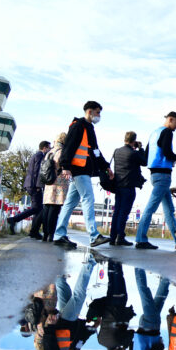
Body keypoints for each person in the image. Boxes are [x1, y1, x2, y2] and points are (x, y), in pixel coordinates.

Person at [53, 101, 114, 248]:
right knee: (88, 198)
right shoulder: (78, 126)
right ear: (90, 111)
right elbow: (69, 146)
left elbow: (95, 151)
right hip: (78, 170)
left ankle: (59, 235)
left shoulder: (89, 128)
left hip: (82, 170)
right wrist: (65, 166)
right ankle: (94, 236)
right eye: (98, 112)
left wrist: (106, 167)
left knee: (70, 203)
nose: (99, 116)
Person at [41, 255, 97, 350]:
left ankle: (90, 262)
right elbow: (78, 344)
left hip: (63, 324)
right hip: (68, 325)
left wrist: (50, 327)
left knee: (78, 296)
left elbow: (49, 347)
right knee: (64, 290)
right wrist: (92, 329)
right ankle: (57, 266)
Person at [135, 112, 176, 250]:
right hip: (163, 175)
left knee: (169, 210)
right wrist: (175, 157)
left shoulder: (154, 133)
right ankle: (141, 239)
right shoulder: (167, 132)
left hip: (154, 175)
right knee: (151, 207)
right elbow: (167, 151)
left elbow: (146, 156)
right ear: (170, 120)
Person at [86, 261, 135, 350]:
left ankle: (116, 259)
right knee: (112, 280)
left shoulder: (118, 342)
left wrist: (123, 347)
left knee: (119, 278)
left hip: (118, 306)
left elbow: (131, 333)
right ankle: (111, 261)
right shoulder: (101, 341)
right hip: (107, 305)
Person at [131, 269, 170, 350]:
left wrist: (161, 347)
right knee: (161, 297)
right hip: (143, 328)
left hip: (151, 328)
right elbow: (132, 348)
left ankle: (138, 267)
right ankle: (167, 275)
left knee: (145, 293)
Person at [110, 131, 147, 246]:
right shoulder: (133, 153)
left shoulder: (117, 151)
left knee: (117, 211)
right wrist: (140, 149)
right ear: (134, 140)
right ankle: (120, 236)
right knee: (124, 212)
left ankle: (113, 236)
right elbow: (144, 161)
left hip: (118, 185)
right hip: (128, 186)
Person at [8, 141, 51, 237]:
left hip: (30, 184)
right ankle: (14, 219)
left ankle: (33, 231)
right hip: (34, 186)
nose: (49, 149)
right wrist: (38, 186)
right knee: (36, 208)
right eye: (49, 148)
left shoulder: (35, 155)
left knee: (38, 209)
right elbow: (37, 172)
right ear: (44, 148)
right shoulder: (40, 156)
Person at [43, 133, 73, 246]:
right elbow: (62, 164)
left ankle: (45, 233)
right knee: (54, 209)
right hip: (58, 182)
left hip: (48, 182)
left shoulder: (49, 152)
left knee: (47, 207)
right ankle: (51, 233)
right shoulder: (61, 151)